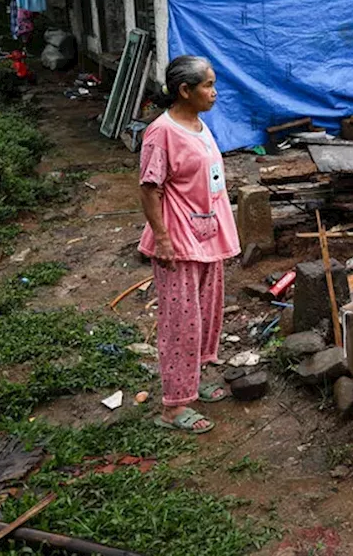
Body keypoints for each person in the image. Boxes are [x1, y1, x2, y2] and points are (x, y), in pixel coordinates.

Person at [138, 56, 239, 433]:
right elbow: (150, 188)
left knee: (205, 316)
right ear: (184, 90)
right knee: (180, 322)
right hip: (178, 241)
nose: (214, 92)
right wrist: (162, 239)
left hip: (208, 235)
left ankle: (192, 381)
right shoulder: (160, 133)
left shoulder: (197, 124)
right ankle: (173, 407)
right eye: (208, 85)